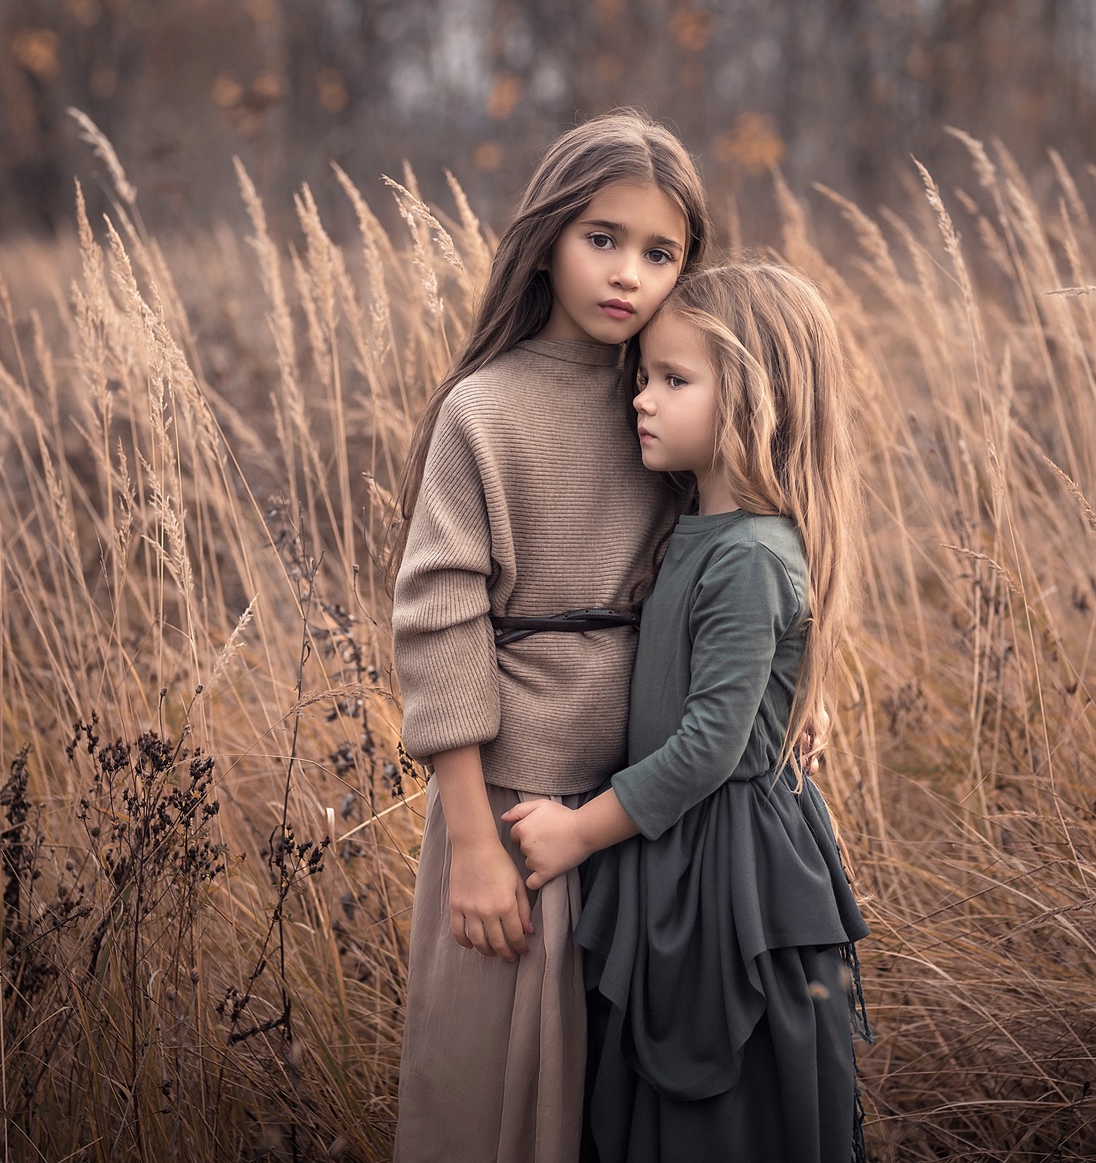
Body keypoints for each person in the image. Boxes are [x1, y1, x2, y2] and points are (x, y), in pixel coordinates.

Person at [388, 110, 711, 1163]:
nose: (627, 274)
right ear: (548, 237)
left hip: (649, 803)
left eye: (659, 252)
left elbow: (743, 564)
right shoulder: (483, 409)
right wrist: (474, 839)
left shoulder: (674, 403)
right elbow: (438, 619)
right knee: (492, 1101)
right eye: (601, 237)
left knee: (622, 1106)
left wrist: (795, 700)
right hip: (514, 818)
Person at [505, 264, 874, 1163]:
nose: (642, 398)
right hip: (678, 847)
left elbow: (710, 743)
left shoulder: (751, 552)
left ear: (754, 400)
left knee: (728, 1105)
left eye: (674, 381)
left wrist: (579, 833)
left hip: (727, 862)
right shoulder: (697, 527)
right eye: (645, 376)